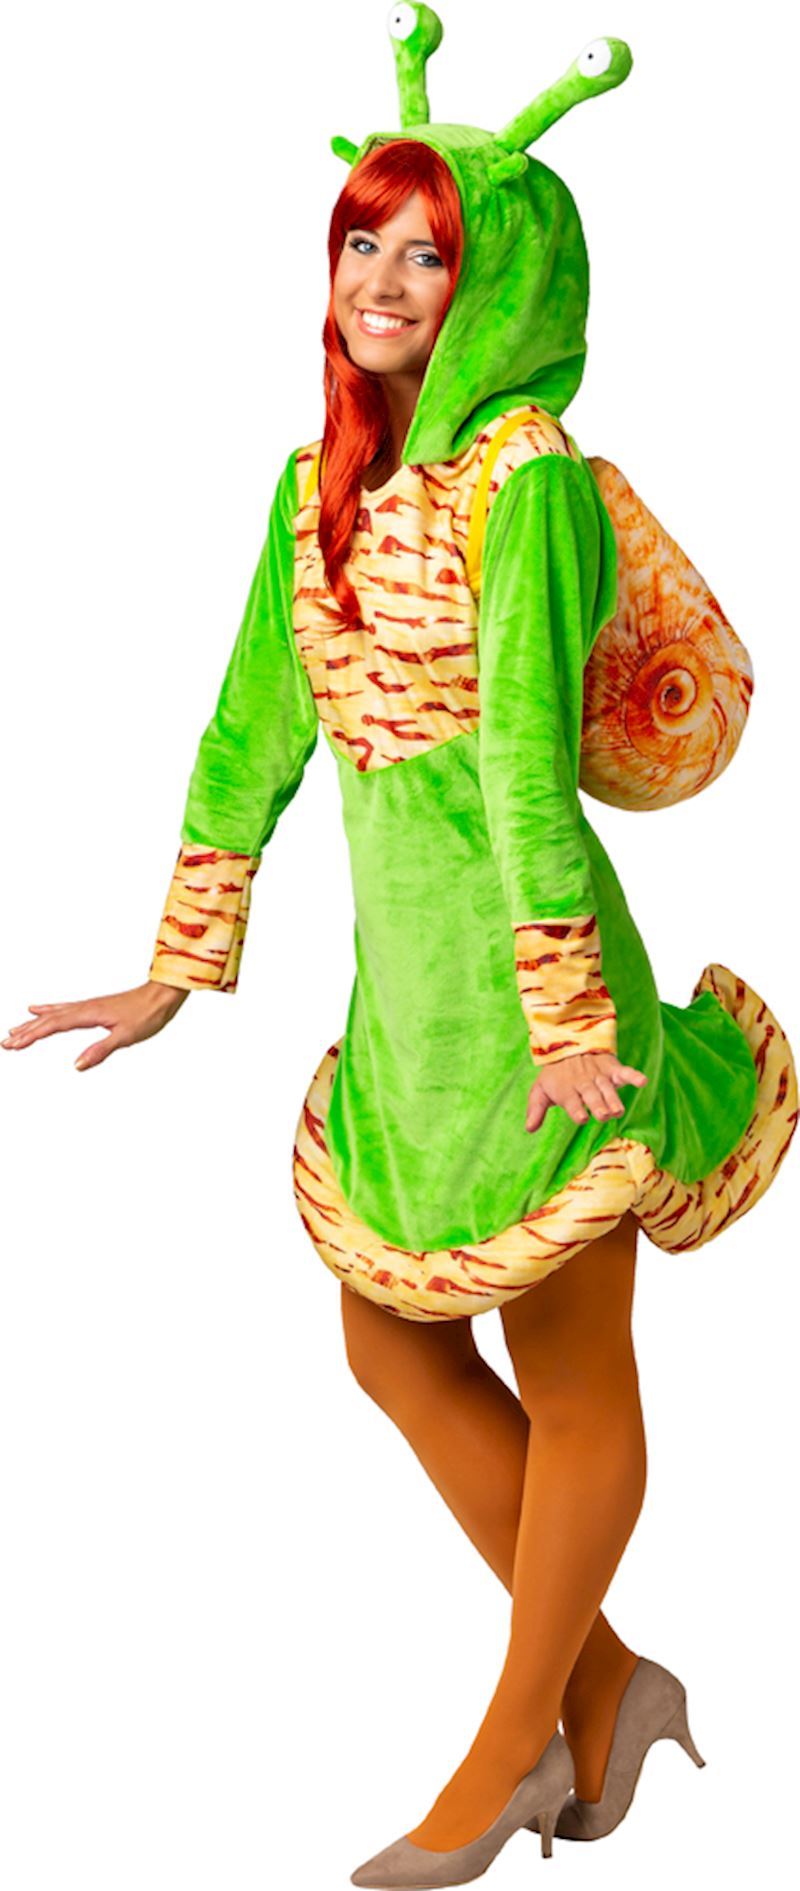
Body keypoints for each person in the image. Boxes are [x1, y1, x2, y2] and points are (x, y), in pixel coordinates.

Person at [4, 10, 796, 1881]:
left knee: (573, 1366)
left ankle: (506, 1759)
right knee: (389, 1342)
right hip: (410, 1016)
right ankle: (607, 1687)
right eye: (360, 238)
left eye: (427, 253)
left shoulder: (528, 478)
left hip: (538, 991)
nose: (379, 278)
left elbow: (523, 760)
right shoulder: (315, 489)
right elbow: (248, 729)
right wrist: (176, 964)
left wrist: (569, 1014)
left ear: (493, 285)